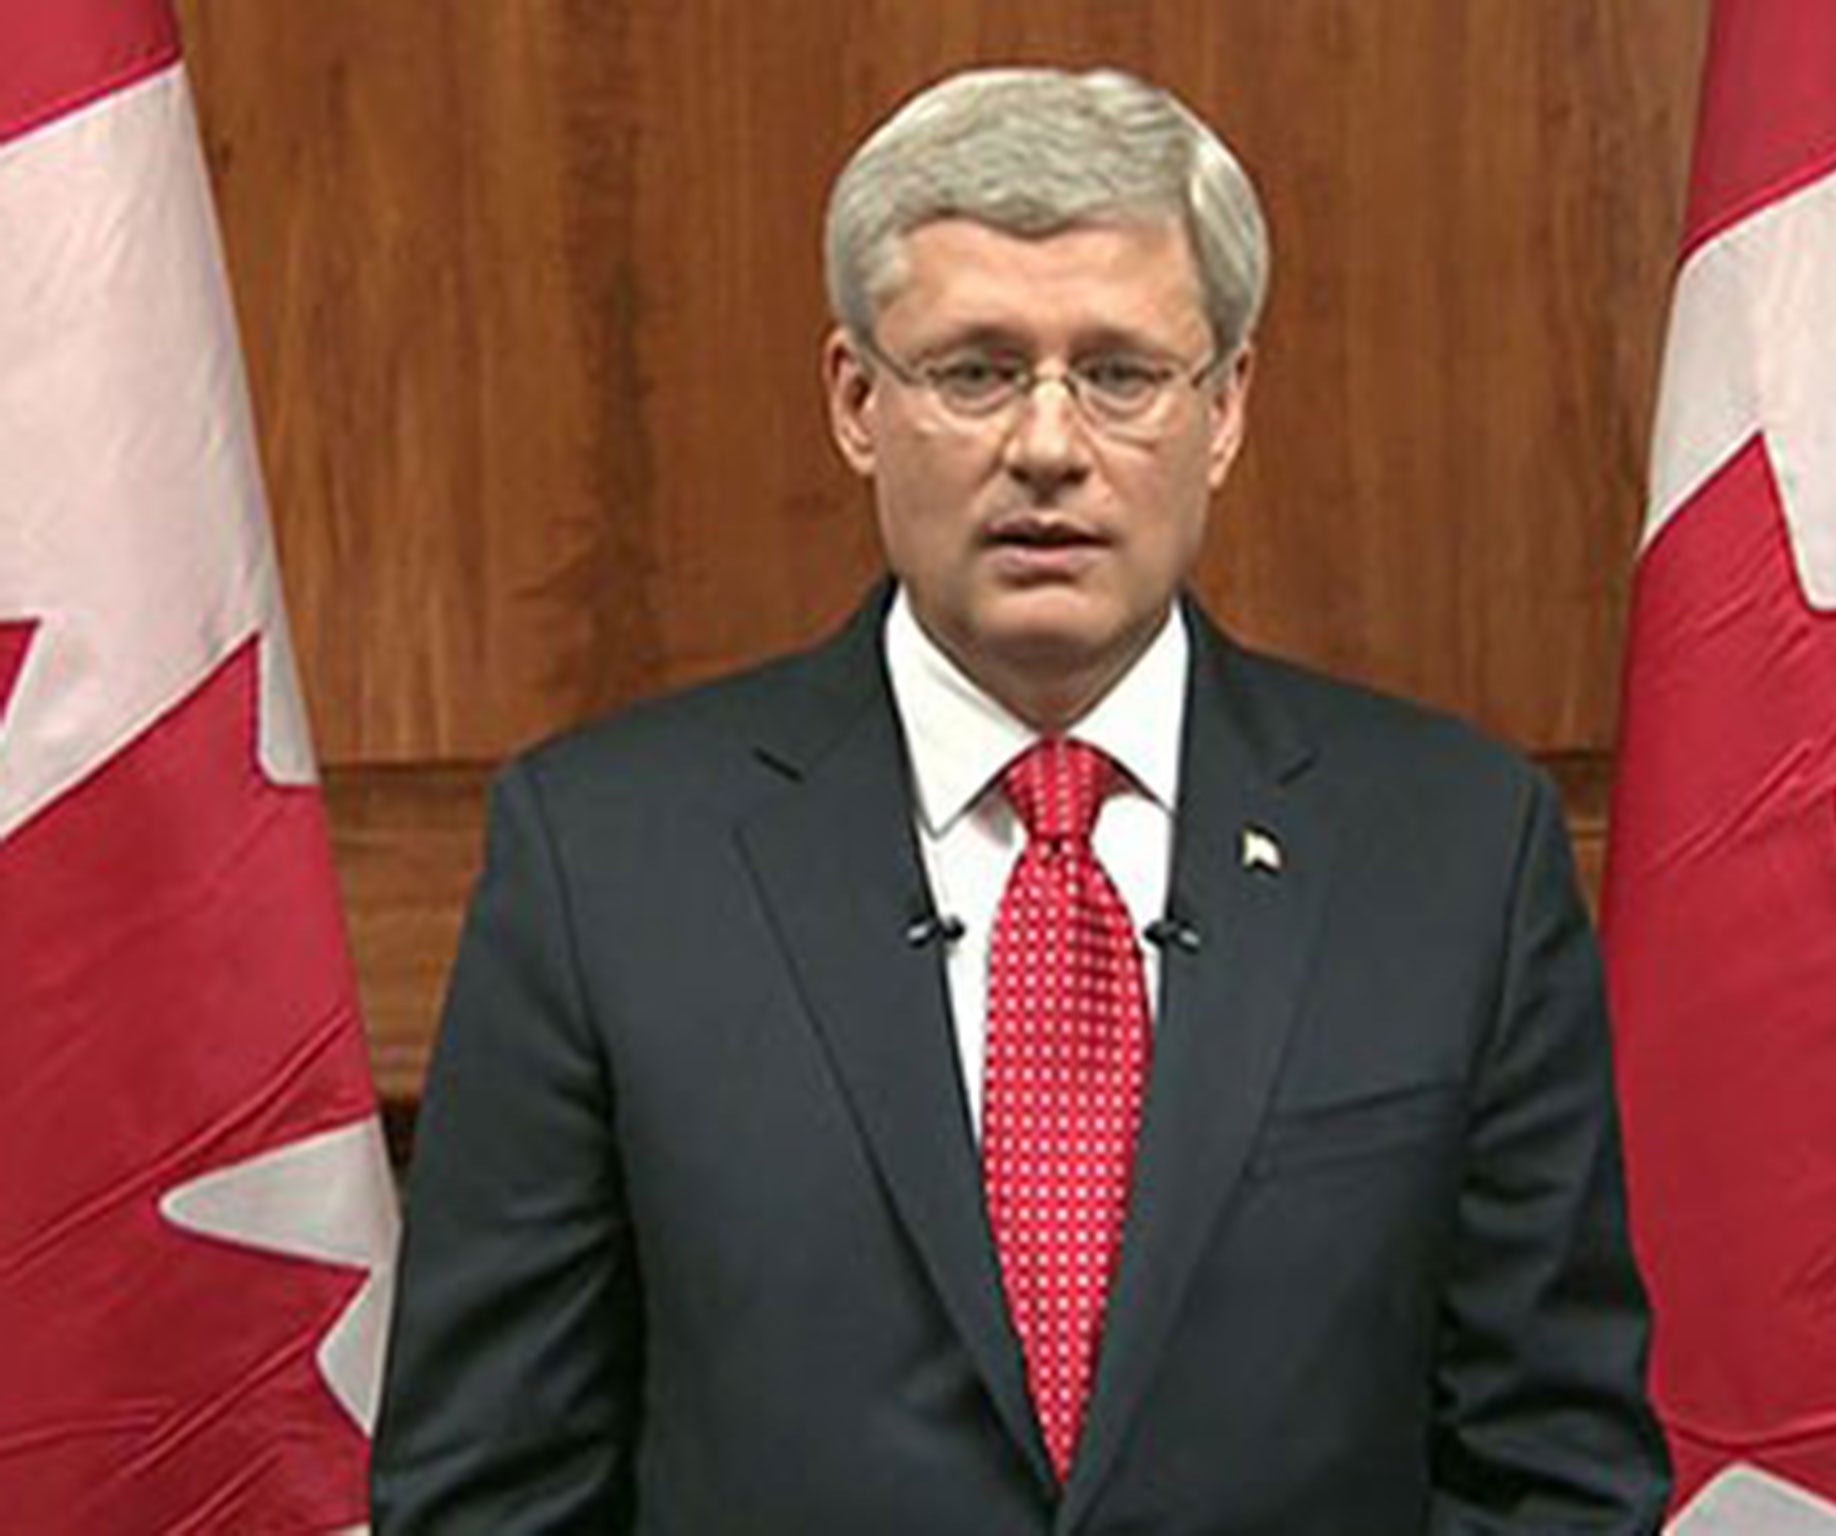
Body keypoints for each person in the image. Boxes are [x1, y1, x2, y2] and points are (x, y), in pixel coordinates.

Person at [371, 66, 1670, 1534]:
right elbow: (490, 1495)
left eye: (1120, 374)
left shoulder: (1451, 852)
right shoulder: (606, 862)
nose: (1048, 446)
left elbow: (1553, 1475)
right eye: (976, 369)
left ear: (1226, 407)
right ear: (858, 401)